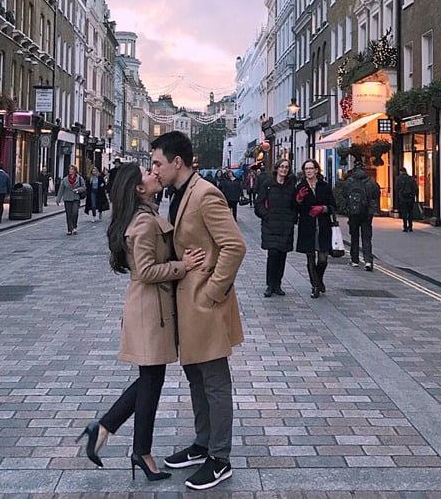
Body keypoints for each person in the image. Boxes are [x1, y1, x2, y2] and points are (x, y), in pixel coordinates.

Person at [79, 163, 205, 481]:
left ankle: (110, 431)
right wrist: (183, 265)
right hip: (150, 310)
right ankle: (137, 449)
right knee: (151, 380)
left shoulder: (145, 216)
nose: (154, 174)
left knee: (151, 380)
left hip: (151, 308)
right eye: (148, 173)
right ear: (139, 188)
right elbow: (146, 271)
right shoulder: (143, 223)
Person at [151, 130, 246, 491]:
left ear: (177, 163)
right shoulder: (177, 194)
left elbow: (234, 246)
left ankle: (220, 458)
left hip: (204, 304)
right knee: (195, 377)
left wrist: (211, 293)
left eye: (158, 163)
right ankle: (202, 444)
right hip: (187, 304)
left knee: (215, 381)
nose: (154, 170)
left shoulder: (206, 195)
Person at [254, 158, 297, 297]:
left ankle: (277, 284)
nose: (284, 169)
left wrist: (292, 219)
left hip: (285, 225)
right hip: (271, 225)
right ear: (277, 168)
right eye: (282, 167)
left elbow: (295, 205)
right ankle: (270, 284)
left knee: (282, 255)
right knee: (273, 254)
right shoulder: (268, 184)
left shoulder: (291, 186)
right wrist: (266, 215)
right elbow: (259, 203)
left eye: (286, 167)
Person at [295, 159, 337, 298]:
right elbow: (295, 208)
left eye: (311, 168)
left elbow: (333, 206)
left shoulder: (324, 186)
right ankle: (315, 286)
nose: (308, 171)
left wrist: (323, 208)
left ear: (316, 170)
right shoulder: (301, 186)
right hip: (308, 226)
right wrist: (299, 199)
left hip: (323, 226)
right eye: (306, 169)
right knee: (310, 258)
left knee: (323, 258)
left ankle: (318, 280)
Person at [342, 161, 380, 271]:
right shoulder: (370, 181)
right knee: (366, 237)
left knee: (354, 237)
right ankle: (368, 261)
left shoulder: (349, 181)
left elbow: (344, 194)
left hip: (353, 213)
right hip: (367, 213)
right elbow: (377, 194)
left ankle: (354, 260)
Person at [56, 164, 85, 235]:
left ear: (75, 171)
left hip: (76, 198)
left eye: (72, 169)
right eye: (69, 169)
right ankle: (70, 229)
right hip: (67, 198)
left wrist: (78, 190)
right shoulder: (65, 179)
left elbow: (84, 187)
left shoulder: (79, 178)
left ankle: (74, 226)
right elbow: (61, 189)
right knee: (68, 214)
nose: (70, 170)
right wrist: (58, 199)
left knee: (75, 213)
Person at [394, 167, 418, 232]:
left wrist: (397, 200)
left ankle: (405, 227)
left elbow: (396, 189)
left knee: (404, 213)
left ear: (400, 172)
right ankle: (410, 226)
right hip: (410, 198)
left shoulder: (398, 179)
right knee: (410, 212)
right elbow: (415, 188)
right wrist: (415, 197)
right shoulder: (411, 179)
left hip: (402, 198)